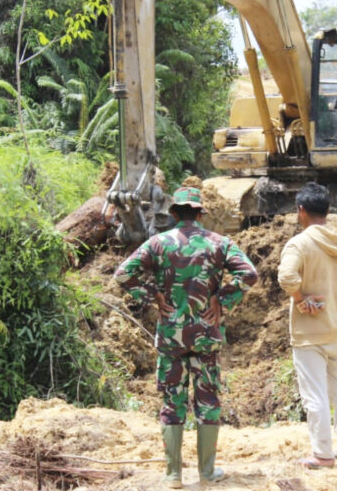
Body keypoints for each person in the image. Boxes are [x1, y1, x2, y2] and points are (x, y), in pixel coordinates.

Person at [114, 187, 258, 489]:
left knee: (171, 402)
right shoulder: (220, 243)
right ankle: (207, 473)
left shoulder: (157, 243)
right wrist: (223, 299)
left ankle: (173, 475)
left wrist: (152, 296)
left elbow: (123, 275)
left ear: (175, 213)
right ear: (201, 213)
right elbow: (249, 274)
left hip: (171, 338)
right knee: (207, 401)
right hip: (205, 336)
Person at [277, 182, 337, 469]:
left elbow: (286, 277)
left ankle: (322, 454)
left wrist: (301, 299)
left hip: (311, 331)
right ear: (327, 209)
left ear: (301, 211)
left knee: (315, 395)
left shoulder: (299, 243)